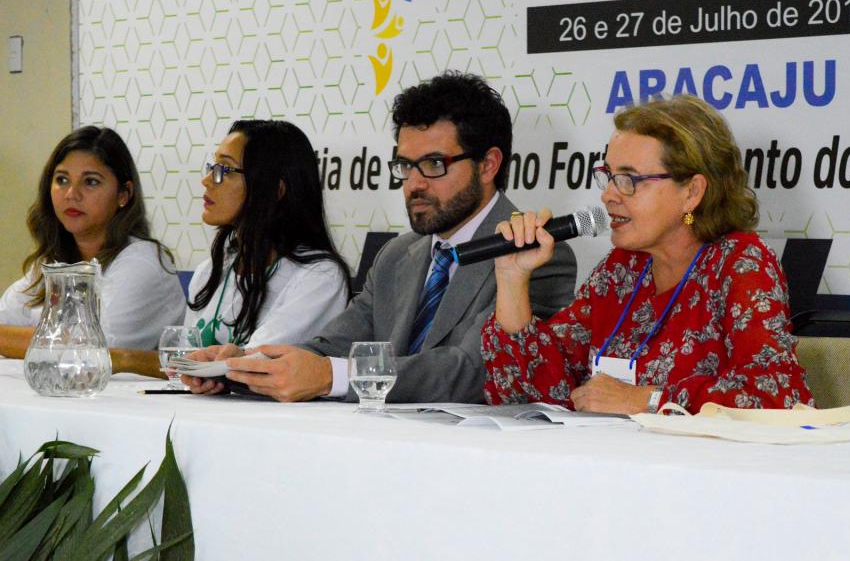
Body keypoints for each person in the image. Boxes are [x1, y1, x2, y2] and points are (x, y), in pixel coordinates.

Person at [184, 71, 577, 402]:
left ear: (488, 165)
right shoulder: (397, 255)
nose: (414, 184)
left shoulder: (535, 251)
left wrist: (332, 377)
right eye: (405, 165)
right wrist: (244, 365)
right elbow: (331, 346)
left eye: (434, 164)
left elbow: (476, 371)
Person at [482, 95, 814, 414]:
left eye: (628, 179)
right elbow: (532, 392)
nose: (609, 195)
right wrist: (512, 277)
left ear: (692, 192)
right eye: (608, 176)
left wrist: (648, 401)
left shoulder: (741, 264)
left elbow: (778, 395)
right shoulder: (622, 268)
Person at [0, 126, 184, 363]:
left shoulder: (143, 261)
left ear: (123, 194)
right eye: (62, 180)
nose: (71, 194)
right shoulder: (53, 261)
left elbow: (90, 348)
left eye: (91, 182)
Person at [185, 119, 351, 348]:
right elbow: (181, 360)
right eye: (212, 167)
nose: (207, 180)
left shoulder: (319, 277)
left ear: (275, 190)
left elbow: (257, 362)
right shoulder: (210, 271)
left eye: (225, 169)